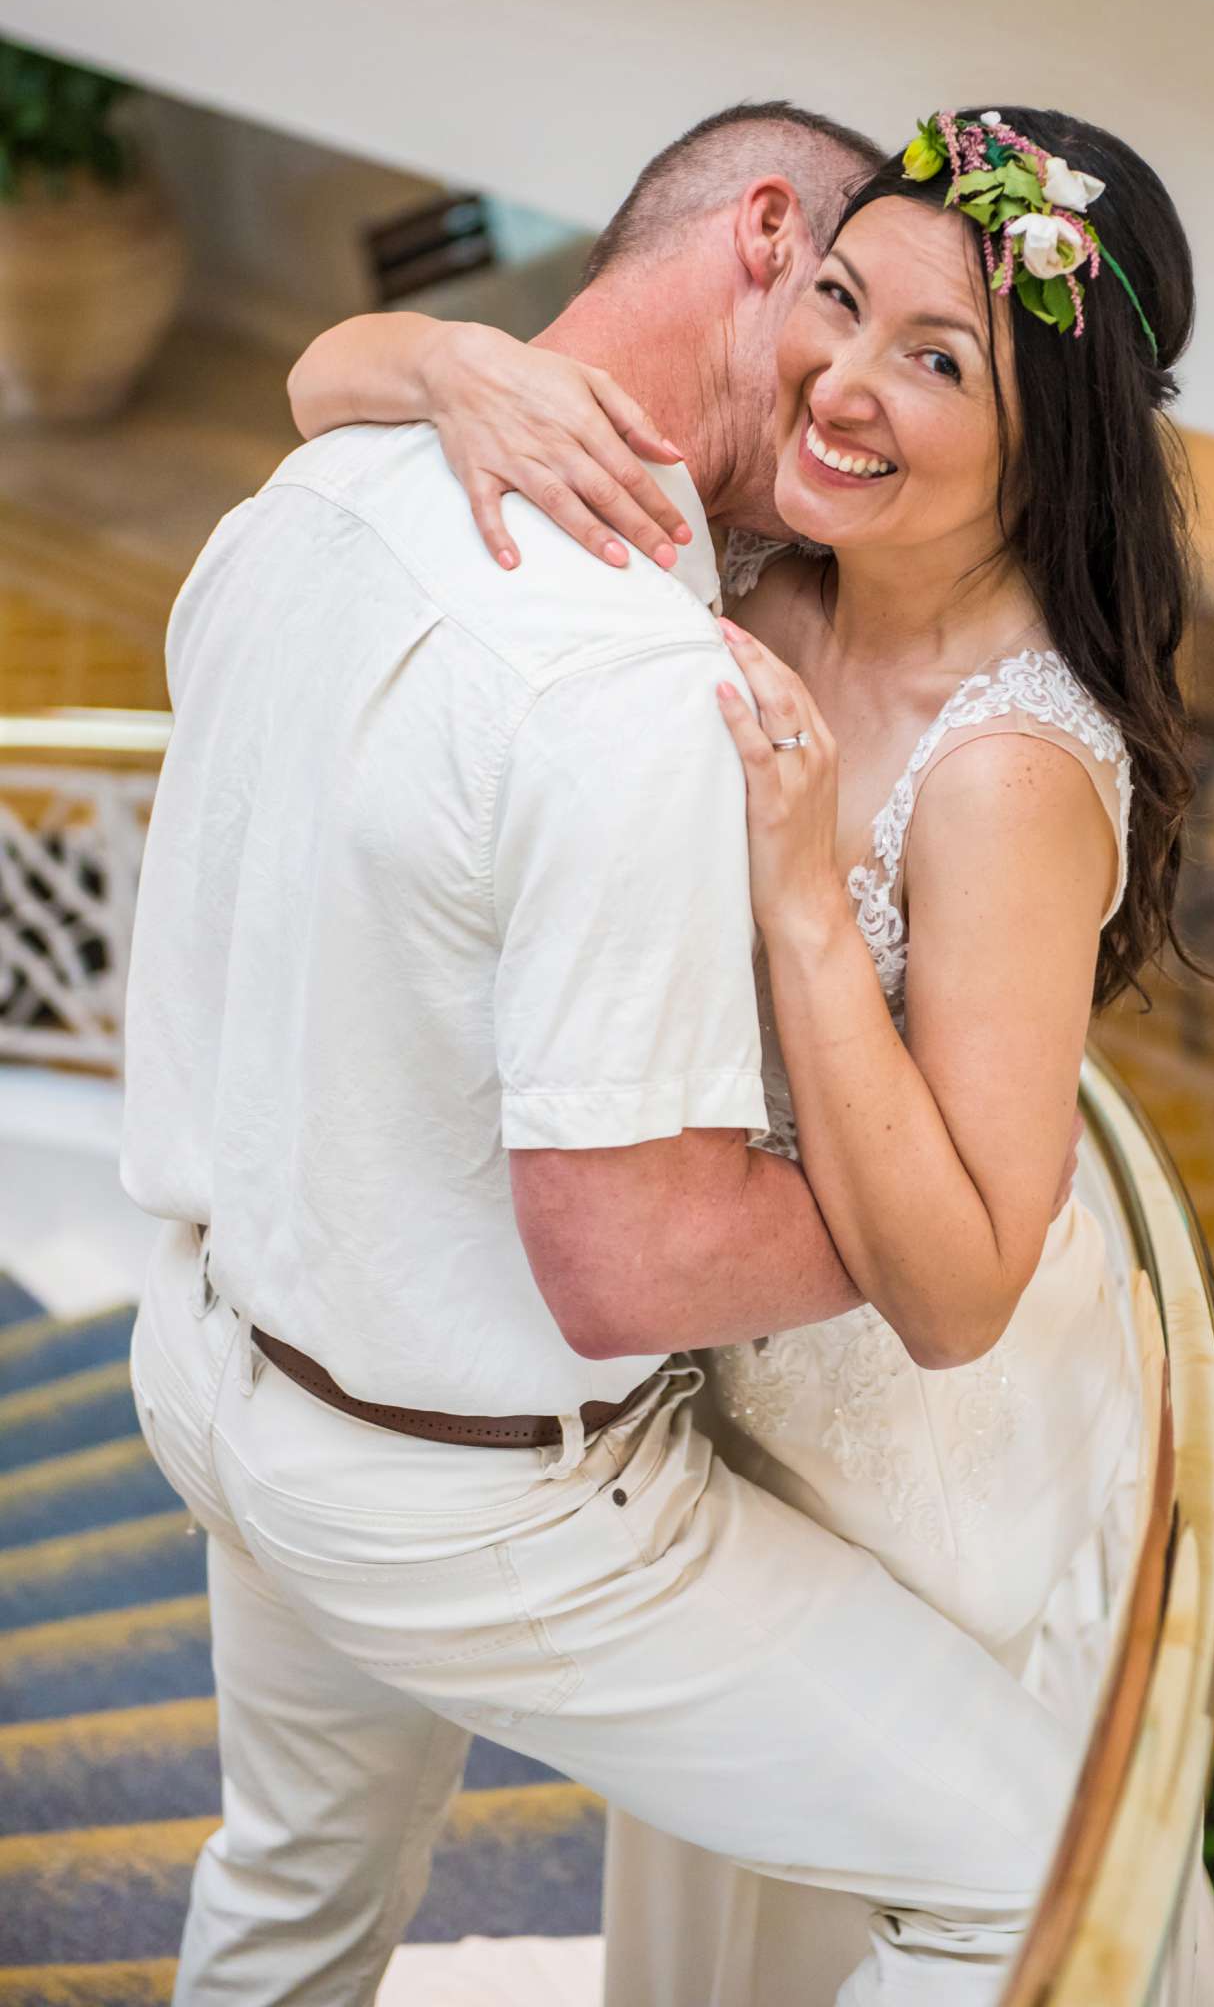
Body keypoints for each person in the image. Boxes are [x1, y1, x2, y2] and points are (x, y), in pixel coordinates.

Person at [121, 103, 1107, 2007]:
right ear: (764, 239)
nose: (845, 387)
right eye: (840, 302)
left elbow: (344, 386)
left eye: (927, 348)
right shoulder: (640, 688)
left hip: (225, 1360)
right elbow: (629, 1264)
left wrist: (425, 361)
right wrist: (955, 1218)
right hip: (470, 1493)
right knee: (1034, 1879)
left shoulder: (315, 492)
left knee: (297, 1887)